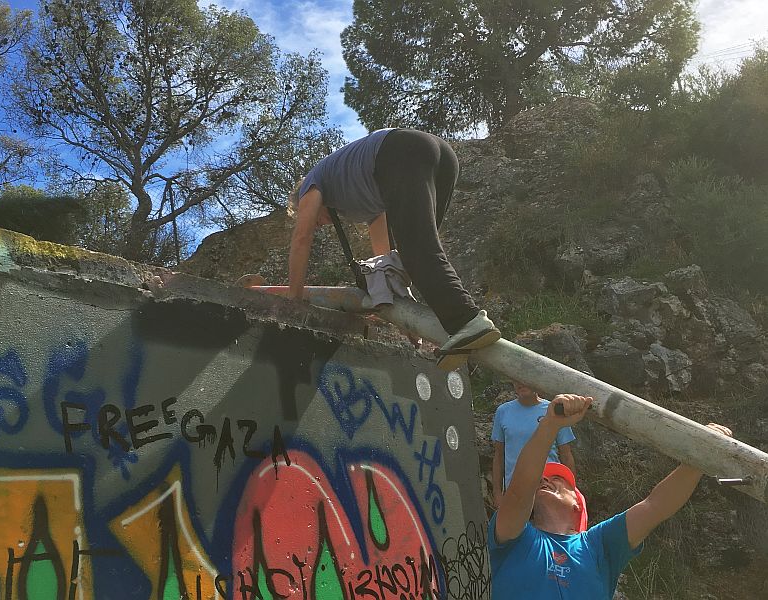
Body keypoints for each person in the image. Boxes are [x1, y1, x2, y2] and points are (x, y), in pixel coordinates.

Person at [287, 128, 500, 370]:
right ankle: (461, 329)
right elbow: (389, 261)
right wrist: (403, 315)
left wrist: (293, 302)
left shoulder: (311, 185)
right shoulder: (356, 194)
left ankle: (467, 321)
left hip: (400, 152)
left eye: (311, 218)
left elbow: (301, 239)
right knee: (415, 252)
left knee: (418, 251)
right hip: (439, 156)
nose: (318, 224)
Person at [488, 393, 733, 599]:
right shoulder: (513, 539)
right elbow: (519, 491)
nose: (545, 480)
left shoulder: (598, 545)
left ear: (577, 505)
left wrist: (699, 459)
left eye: (558, 479)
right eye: (542, 479)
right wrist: (550, 425)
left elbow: (655, 506)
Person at [491, 381, 576, 509]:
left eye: (524, 378)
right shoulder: (503, 412)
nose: (520, 383)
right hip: (515, 494)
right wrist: (497, 494)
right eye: (516, 379)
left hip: (550, 491)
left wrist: (572, 492)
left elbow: (566, 454)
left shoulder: (554, 411)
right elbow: (499, 456)